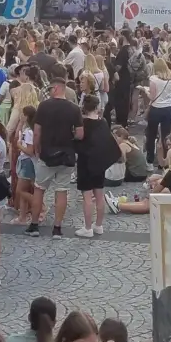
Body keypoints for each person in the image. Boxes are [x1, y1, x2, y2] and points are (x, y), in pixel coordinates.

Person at [29, 77, 81, 238]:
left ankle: (34, 225)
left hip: (47, 154)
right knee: (62, 191)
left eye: (51, 89)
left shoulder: (44, 106)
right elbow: (80, 134)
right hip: (66, 155)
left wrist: (36, 147)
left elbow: (37, 131)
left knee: (39, 189)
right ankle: (57, 228)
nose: (50, 92)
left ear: (57, 88)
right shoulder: (74, 108)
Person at [73, 94, 119, 238]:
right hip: (99, 163)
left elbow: (77, 140)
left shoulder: (82, 124)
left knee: (87, 196)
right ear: (97, 107)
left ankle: (87, 228)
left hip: (85, 162)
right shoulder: (103, 122)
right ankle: (98, 225)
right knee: (99, 195)